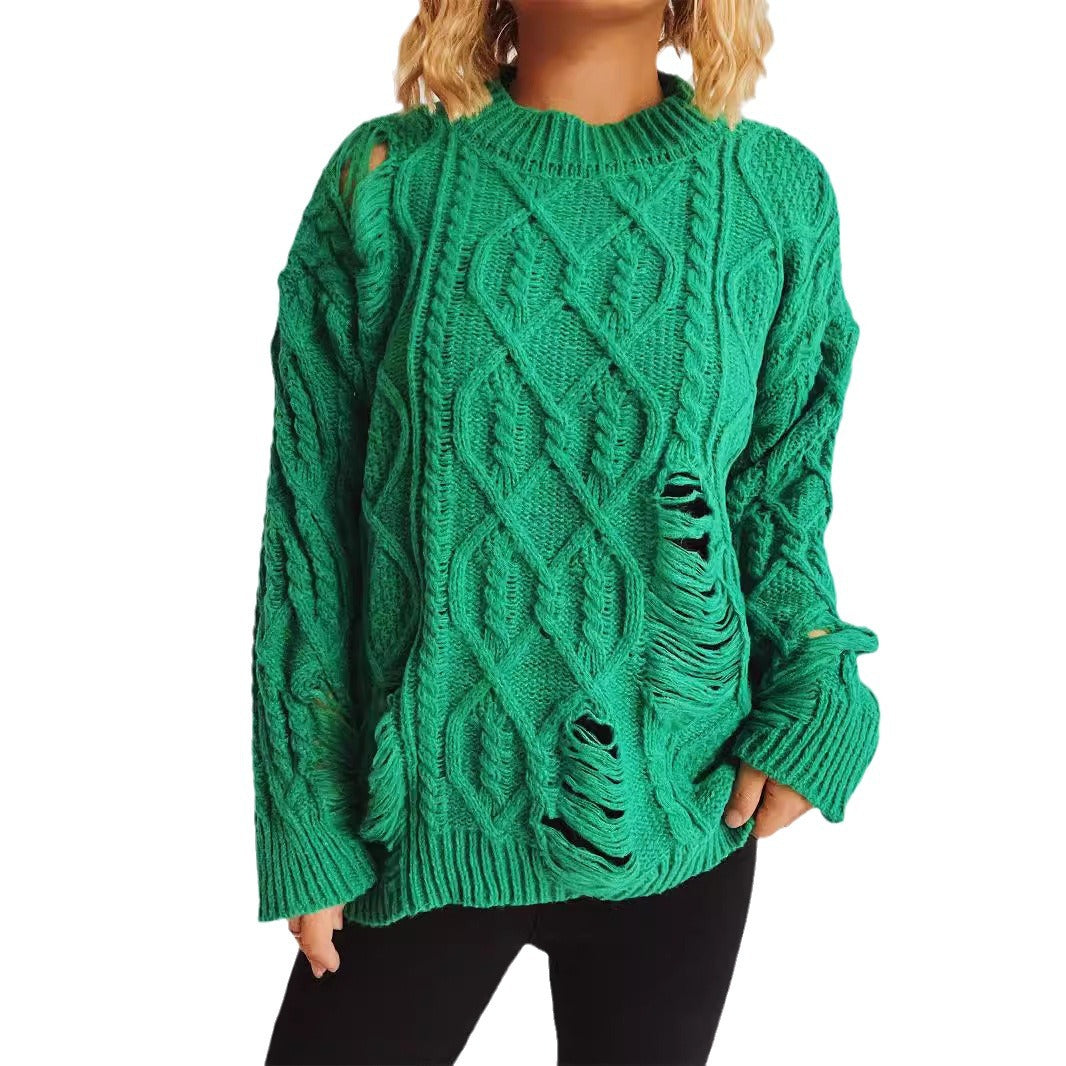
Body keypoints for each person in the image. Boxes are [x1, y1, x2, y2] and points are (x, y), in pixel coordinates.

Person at [250, 2, 880, 1063]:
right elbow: (309, 525)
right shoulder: (388, 181)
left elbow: (780, 494)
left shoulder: (774, 193)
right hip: (421, 820)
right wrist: (306, 817)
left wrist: (817, 688)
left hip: (681, 816)